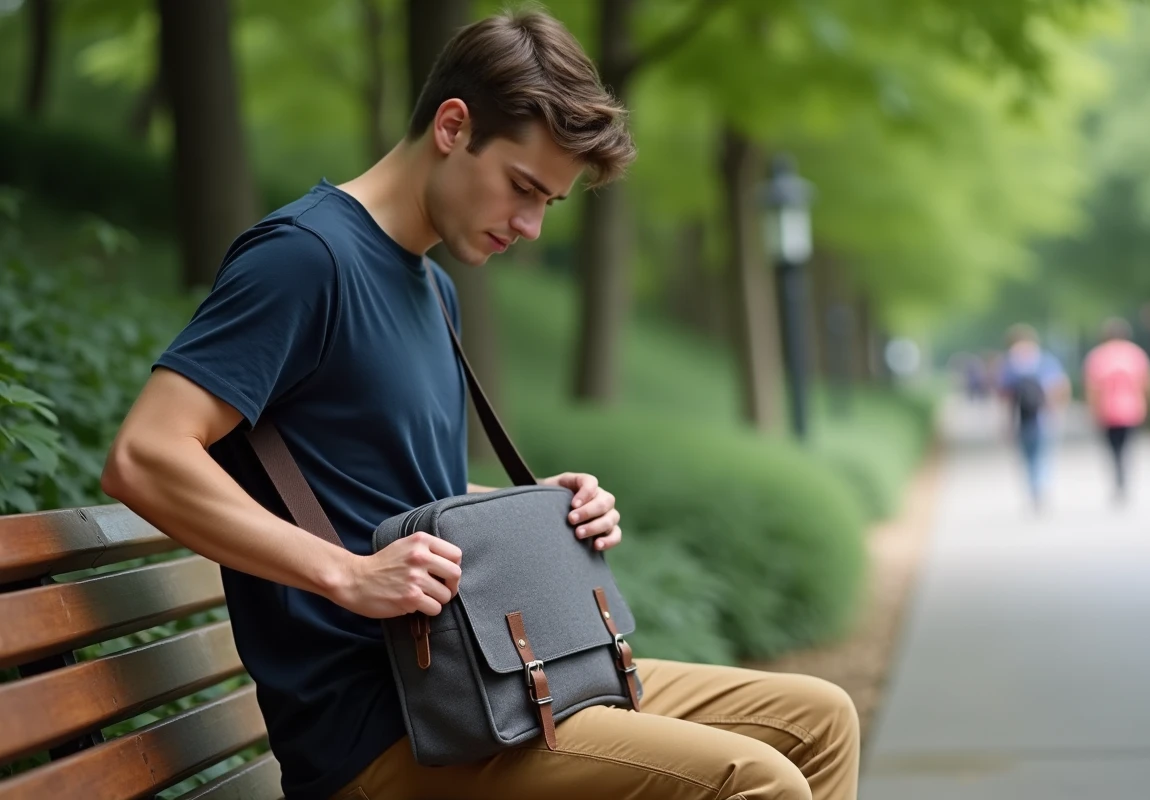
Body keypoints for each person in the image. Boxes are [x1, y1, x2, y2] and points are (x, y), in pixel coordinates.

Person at [101, 10, 859, 800]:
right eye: (522, 188)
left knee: (820, 719)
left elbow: (412, 500)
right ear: (453, 126)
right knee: (757, 780)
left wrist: (547, 508)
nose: (529, 226)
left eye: (550, 205)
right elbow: (146, 455)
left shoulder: (432, 288)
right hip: (388, 732)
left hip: (486, 690)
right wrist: (347, 575)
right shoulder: (305, 259)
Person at [999, 324, 1071, 510]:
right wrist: (1058, 410)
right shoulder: (1045, 360)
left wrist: (1005, 423)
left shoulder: (1010, 363)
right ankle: (1041, 485)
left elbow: (1005, 397)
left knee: (1028, 456)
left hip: (1020, 418)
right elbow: (1060, 386)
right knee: (1043, 454)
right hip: (1044, 416)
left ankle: (1033, 488)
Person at [1083, 318, 1150, 502]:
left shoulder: (1097, 356)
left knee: (1113, 448)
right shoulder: (1136, 354)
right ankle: (1123, 476)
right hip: (1133, 409)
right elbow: (1147, 383)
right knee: (1127, 447)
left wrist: (1092, 410)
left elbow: (1092, 388)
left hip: (1107, 410)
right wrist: (1148, 405)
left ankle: (1118, 477)